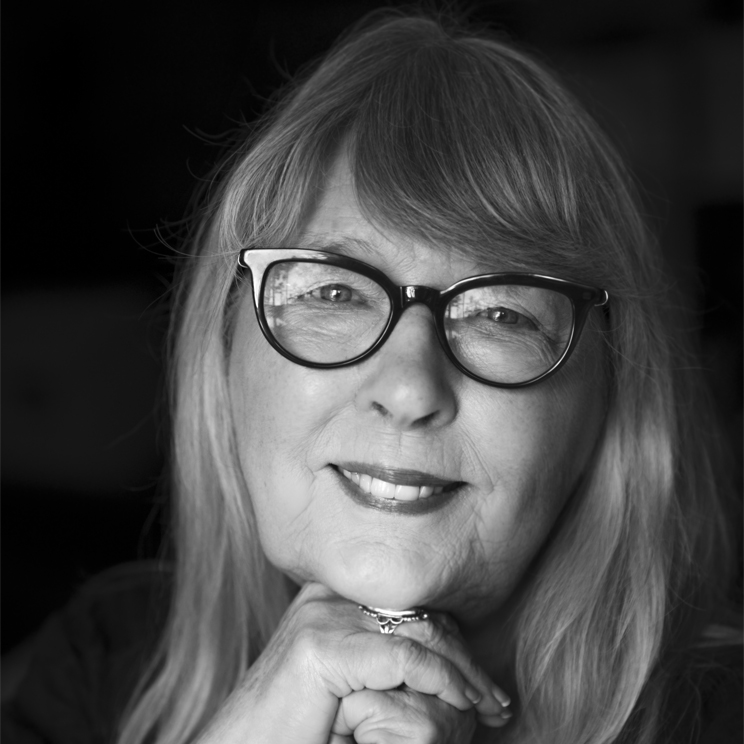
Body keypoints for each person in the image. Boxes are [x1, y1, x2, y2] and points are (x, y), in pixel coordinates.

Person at [3, 10, 740, 744]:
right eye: (334, 293)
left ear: (609, 395)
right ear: (223, 349)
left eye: (501, 315)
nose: (410, 390)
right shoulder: (102, 662)